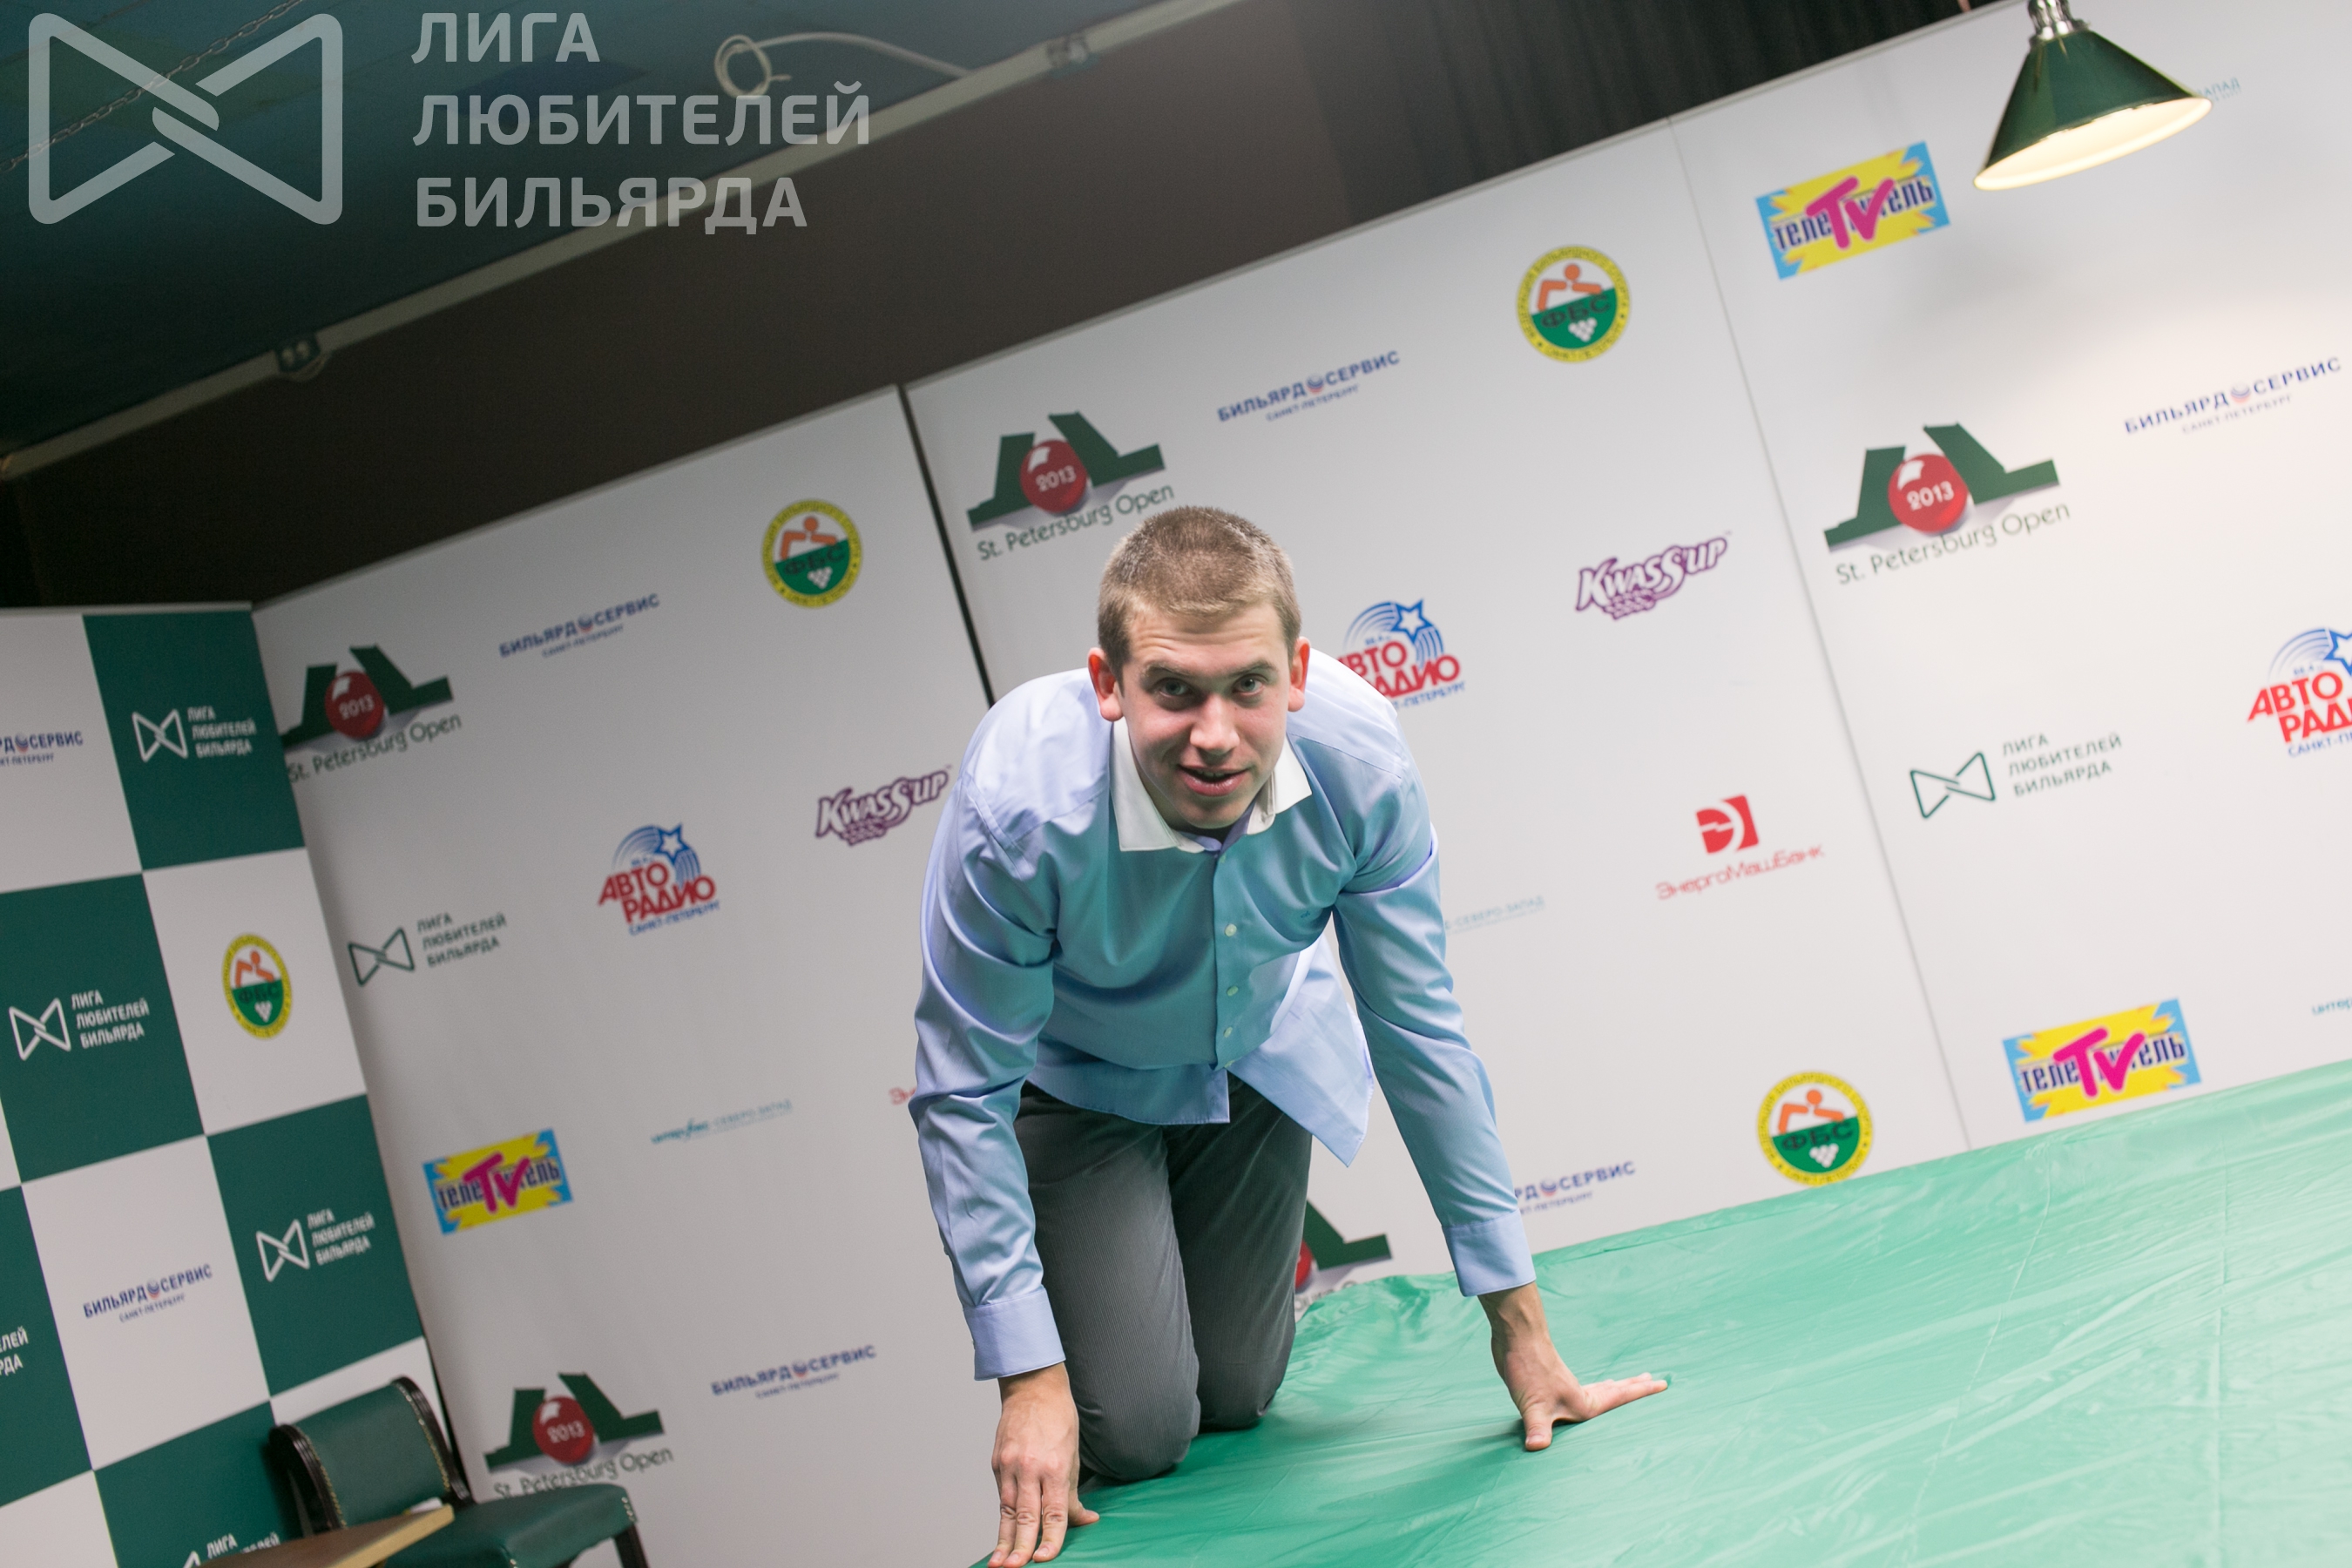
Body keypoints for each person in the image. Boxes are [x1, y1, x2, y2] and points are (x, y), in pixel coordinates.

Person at [910, 508, 1666, 1567]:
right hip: (1077, 1090)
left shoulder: (1362, 766)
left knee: (1237, 1394)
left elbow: (1419, 1033)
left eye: (1248, 686)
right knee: (1143, 1431)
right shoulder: (1018, 805)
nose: (1215, 734)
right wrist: (1029, 1376)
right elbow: (963, 1091)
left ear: (1298, 673)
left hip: (1254, 1055)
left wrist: (1520, 1326)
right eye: (1174, 690)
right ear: (1109, 684)